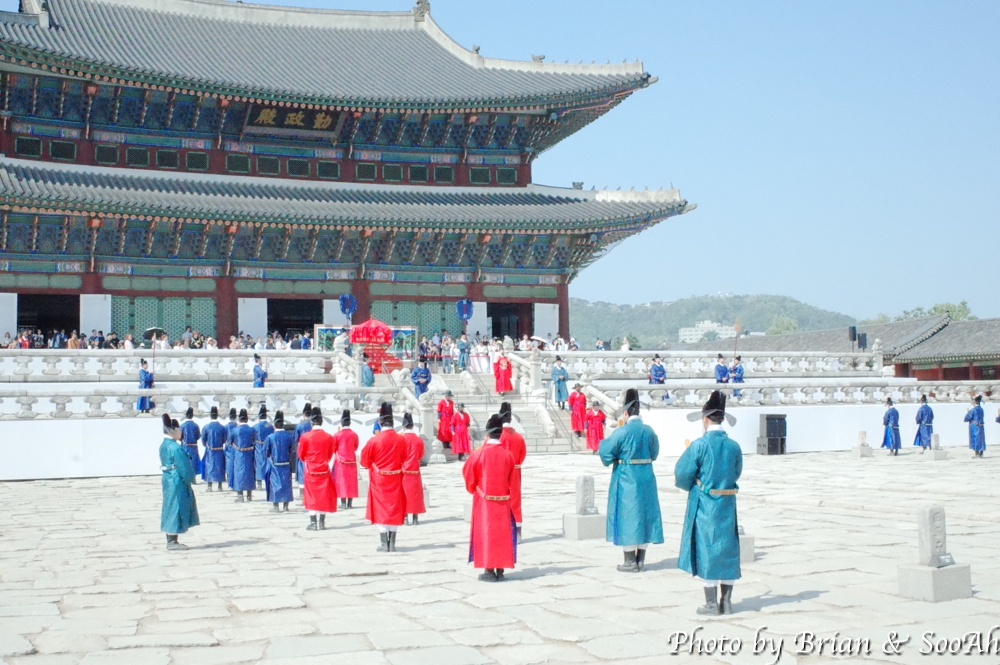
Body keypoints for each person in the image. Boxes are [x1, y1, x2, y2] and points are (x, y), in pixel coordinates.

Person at [675, 390, 743, 615]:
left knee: (708, 548)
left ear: (705, 418)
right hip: (727, 502)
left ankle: (712, 603)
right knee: (728, 548)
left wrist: (693, 485)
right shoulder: (733, 446)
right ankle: (727, 602)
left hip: (706, 503)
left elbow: (682, 473)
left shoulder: (699, 445)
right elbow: (737, 472)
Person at [598, 388, 663, 574]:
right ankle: (641, 560)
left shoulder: (622, 431)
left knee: (627, 516)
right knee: (645, 515)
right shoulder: (649, 431)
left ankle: (629, 561)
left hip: (627, 477)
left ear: (626, 413)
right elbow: (655, 453)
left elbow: (606, 452)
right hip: (646, 476)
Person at [463, 414, 517, 582]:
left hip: (484, 500)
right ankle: (500, 568)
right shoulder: (508, 455)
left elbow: (468, 476)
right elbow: (513, 481)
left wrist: (474, 489)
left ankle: (489, 569)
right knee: (502, 534)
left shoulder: (478, 454)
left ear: (487, 434)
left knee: (486, 533)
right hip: (503, 500)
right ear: (500, 434)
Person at [360, 403, 407, 552]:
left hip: (379, 478)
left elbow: (364, 461)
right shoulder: (401, 439)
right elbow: (405, 458)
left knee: (381, 507)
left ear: (380, 422)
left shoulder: (374, 440)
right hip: (396, 477)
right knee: (394, 507)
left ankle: (383, 543)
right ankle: (392, 543)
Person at [159, 413, 199, 551]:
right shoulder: (175, 447)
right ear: (174, 430)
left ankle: (171, 539)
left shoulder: (164, 445)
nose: (181, 433)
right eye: (180, 430)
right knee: (175, 508)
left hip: (168, 479)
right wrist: (190, 479)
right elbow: (184, 466)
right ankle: (172, 541)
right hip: (177, 481)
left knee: (170, 506)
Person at [298, 407, 338, 530]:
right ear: (322, 422)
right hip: (324, 468)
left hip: (311, 468)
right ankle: (321, 522)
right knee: (323, 495)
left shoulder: (305, 437)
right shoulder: (329, 437)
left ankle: (313, 522)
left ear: (311, 422)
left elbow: (301, 454)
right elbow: (330, 454)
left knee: (311, 495)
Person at [498, 402, 526, 542]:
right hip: (516, 470)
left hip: (501, 472)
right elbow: (523, 454)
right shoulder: (519, 436)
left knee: (500, 499)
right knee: (515, 499)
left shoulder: (499, 436)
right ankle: (517, 531)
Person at [264, 411, 294, 513]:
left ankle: (275, 506)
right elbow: (292, 449)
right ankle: (286, 506)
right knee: (286, 483)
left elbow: (266, 451)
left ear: (274, 425)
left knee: (274, 483)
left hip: (275, 464)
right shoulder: (289, 436)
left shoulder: (270, 437)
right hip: (286, 463)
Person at [401, 413, 426, 525]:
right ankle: (415, 518)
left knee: (404, 494)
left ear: (404, 426)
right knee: (415, 494)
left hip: (403, 470)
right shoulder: (418, 440)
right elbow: (421, 454)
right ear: (412, 426)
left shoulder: (401, 439)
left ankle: (405, 517)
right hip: (415, 469)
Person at [333, 410, 359, 509]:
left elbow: (333, 448)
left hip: (340, 461)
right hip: (351, 460)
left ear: (341, 422)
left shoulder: (337, 435)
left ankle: (343, 503)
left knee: (342, 481)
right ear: (350, 423)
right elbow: (355, 447)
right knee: (351, 481)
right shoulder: (354, 434)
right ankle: (350, 503)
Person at [230, 409, 256, 501]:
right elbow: (255, 441)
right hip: (249, 454)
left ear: (239, 419)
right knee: (249, 472)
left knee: (239, 473)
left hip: (238, 454)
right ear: (247, 419)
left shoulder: (235, 430)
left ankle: (240, 495)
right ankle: (249, 495)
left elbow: (229, 442)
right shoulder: (252, 430)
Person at [200, 407, 227, 492]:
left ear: (210, 416)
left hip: (210, 450)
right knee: (220, 467)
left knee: (209, 467)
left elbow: (203, 440)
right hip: (219, 450)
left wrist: (206, 445)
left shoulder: (206, 427)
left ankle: (209, 486)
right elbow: (225, 439)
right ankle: (220, 486)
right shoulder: (222, 427)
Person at [253, 405, 275, 491]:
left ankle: (259, 483)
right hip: (268, 445)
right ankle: (268, 482)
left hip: (258, 446)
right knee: (268, 462)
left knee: (259, 463)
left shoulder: (255, 426)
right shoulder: (270, 426)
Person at [179, 408, 201, 483]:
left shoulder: (182, 426)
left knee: (184, 462)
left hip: (185, 446)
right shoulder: (195, 426)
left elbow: (180, 437)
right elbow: (198, 436)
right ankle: (193, 479)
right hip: (193, 446)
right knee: (193, 462)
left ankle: (186, 478)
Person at [294, 403, 313, 490]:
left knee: (301, 467)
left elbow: (295, 438)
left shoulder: (300, 425)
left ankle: (302, 489)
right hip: (312, 448)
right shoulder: (313, 424)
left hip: (302, 448)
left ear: (303, 414)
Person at [224, 408, 238, 490]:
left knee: (229, 466)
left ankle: (230, 483)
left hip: (229, 447)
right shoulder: (237, 426)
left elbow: (224, 438)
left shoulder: (226, 427)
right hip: (237, 448)